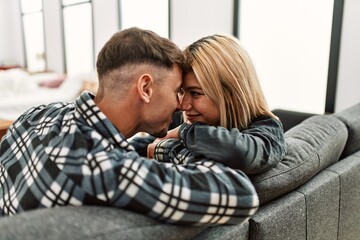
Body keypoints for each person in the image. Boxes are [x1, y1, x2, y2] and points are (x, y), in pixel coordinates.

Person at [0, 27, 259, 225]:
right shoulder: (104, 168)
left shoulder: (37, 115)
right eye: (177, 90)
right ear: (145, 88)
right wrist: (171, 147)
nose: (181, 105)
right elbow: (240, 193)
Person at [147, 34, 286, 175]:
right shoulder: (184, 118)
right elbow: (146, 145)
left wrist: (179, 136)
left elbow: (240, 154)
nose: (183, 105)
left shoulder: (268, 128)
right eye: (181, 92)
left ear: (231, 93)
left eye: (195, 93)